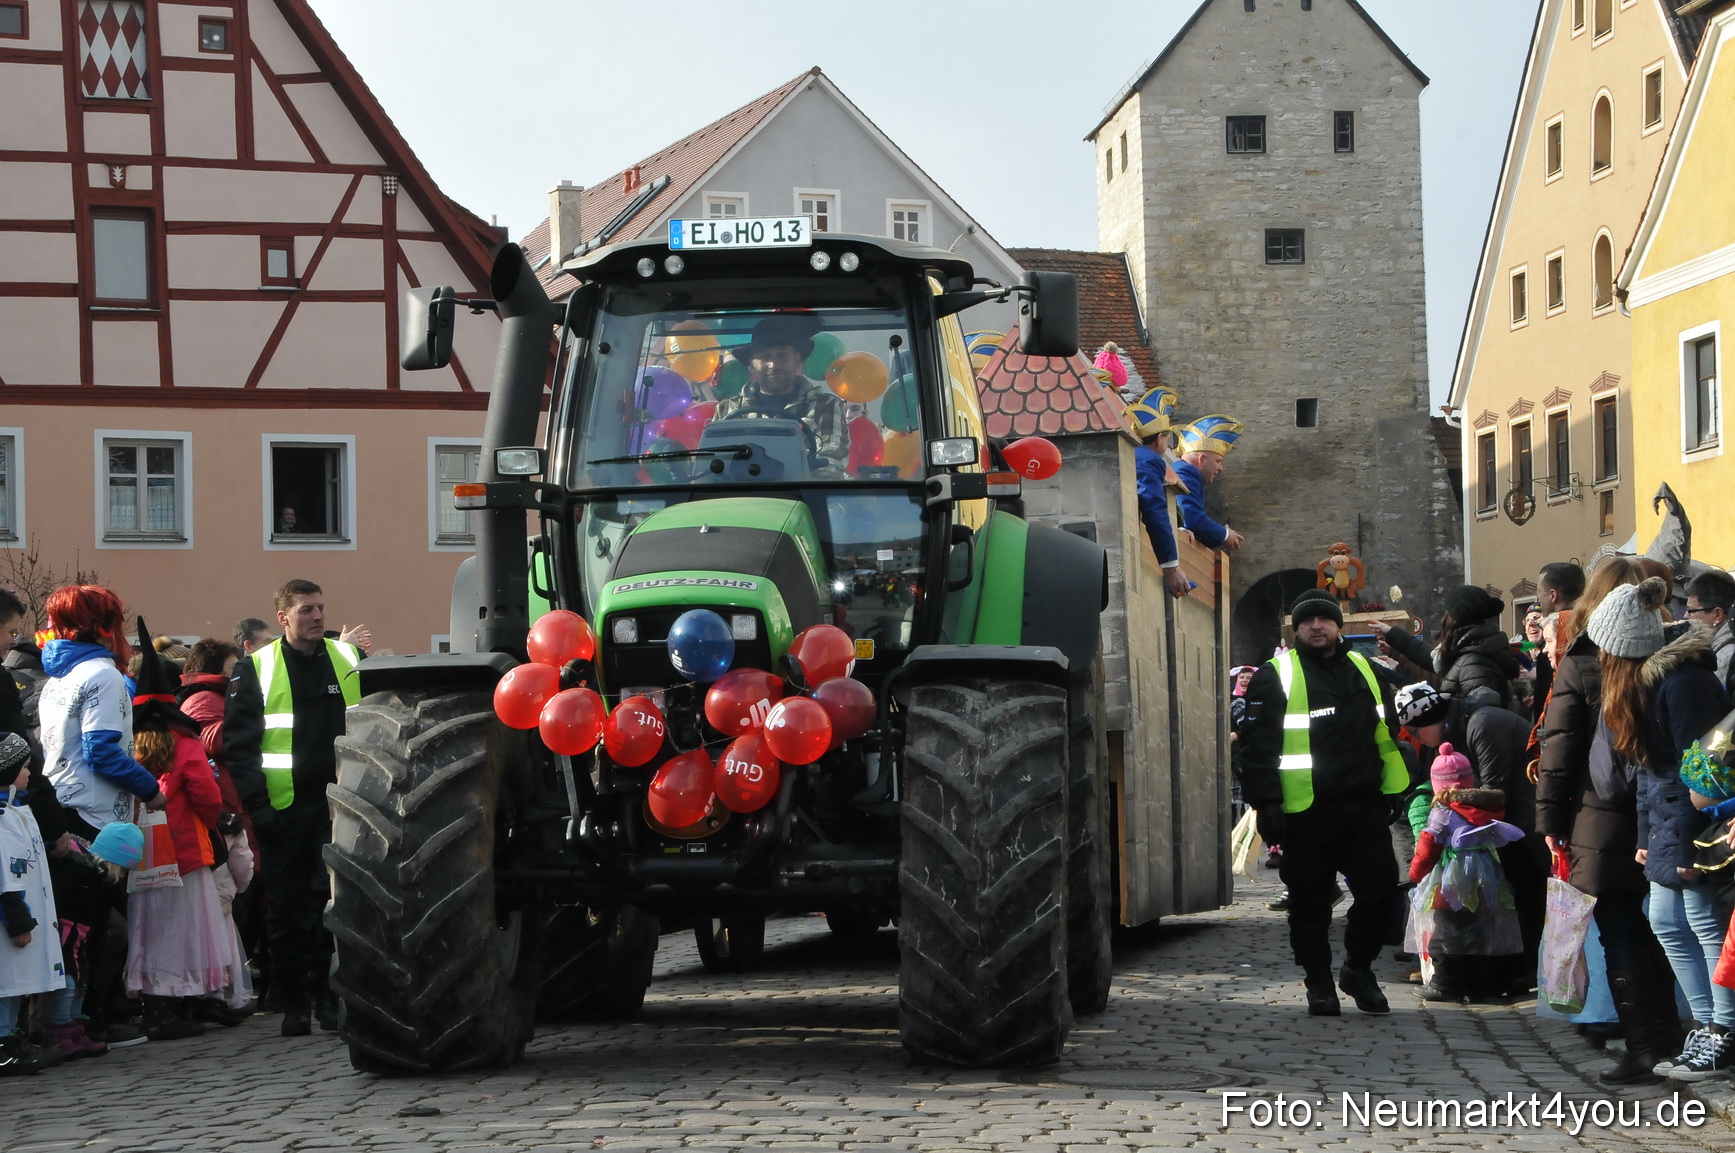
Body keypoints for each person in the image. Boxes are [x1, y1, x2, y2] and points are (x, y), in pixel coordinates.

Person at [1534, 557, 1685, 1085]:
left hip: (1597, 817)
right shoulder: (1672, 654)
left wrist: (1550, 819)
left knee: (1620, 929)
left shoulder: (1583, 659)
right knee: (1661, 928)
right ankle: (1667, 1035)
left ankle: (1643, 1043)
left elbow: (1561, 749)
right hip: (1658, 811)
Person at [1589, 576, 1734, 1082]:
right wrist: (1646, 838)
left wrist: (1690, 847)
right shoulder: (1650, 683)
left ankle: (1723, 1030)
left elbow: (1701, 773)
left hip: (1695, 825)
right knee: (1667, 922)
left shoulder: (1682, 683)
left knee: (1702, 923)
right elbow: (1651, 772)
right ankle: (1705, 1023)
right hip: (1669, 824)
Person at [1240, 590, 1410, 1016]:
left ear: (1338, 625)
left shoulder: (1364, 668)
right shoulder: (1274, 674)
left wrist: (1394, 789)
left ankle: (1358, 969)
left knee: (1380, 893)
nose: (1317, 626)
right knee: (1310, 902)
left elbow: (1386, 732)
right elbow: (1257, 748)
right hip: (1305, 811)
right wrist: (1267, 804)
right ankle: (1318, 981)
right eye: (1307, 620)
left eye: (1325, 619)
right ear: (1295, 629)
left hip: (1364, 805)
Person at [224, 579, 361, 1036]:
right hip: (283, 808)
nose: (318, 617)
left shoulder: (346, 659)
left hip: (341, 804)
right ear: (283, 617)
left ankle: (326, 995)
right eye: (306, 610)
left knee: (330, 903)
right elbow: (239, 748)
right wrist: (258, 807)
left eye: (321, 607)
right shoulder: (255, 668)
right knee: (286, 910)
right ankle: (294, 1002)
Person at [1395, 680, 1546, 997]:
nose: (1418, 739)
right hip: (1509, 823)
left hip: (1525, 822)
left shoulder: (1482, 723)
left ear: (1433, 719)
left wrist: (1448, 810)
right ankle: (1501, 974)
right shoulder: (1457, 732)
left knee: (1526, 896)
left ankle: (1524, 970)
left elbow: (1494, 790)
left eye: (1419, 731)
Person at [124, 618, 229, 1041]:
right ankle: (178, 1005)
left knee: (149, 929)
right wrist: (210, 825)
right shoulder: (186, 745)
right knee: (185, 931)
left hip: (142, 854)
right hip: (184, 852)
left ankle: (154, 1004)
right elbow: (208, 797)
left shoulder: (130, 746)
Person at [38, 586, 167, 839]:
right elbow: (101, 752)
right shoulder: (103, 674)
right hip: (95, 815)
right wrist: (151, 790)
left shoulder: (57, 679)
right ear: (105, 626)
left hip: (63, 803)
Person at [1403, 741, 1525, 1002]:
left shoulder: (1443, 812)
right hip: (1487, 877)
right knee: (1480, 930)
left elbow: (1428, 843)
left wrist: (1417, 873)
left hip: (1453, 877)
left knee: (1446, 931)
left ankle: (1445, 985)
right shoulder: (1485, 806)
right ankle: (1483, 986)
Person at [0, 733, 65, 1076]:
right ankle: (2, 1046)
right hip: (11, 917)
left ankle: (11, 1040)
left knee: (15, 983)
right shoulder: (1, 817)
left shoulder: (15, 809)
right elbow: (3, 875)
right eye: (25, 768)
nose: (29, 775)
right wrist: (18, 919)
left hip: (23, 912)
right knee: (6, 981)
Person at [712, 314, 850, 474]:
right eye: (765, 356)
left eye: (782, 355)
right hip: (741, 496)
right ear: (751, 365)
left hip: (804, 495)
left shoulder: (825, 405)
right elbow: (714, 462)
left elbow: (831, 459)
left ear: (797, 360)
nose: (774, 364)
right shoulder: (727, 408)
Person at [1372, 585, 1521, 711]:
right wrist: (1391, 633)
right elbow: (1430, 658)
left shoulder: (1473, 662)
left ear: (1454, 619)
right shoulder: (1469, 650)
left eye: (1446, 612)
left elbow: (1482, 717)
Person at [1126, 386, 1195, 599]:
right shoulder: (1150, 460)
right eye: (1167, 439)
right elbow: (1154, 509)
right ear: (1159, 439)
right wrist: (1171, 567)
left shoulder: (1134, 454)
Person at [1171, 416, 1245, 552]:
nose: (1221, 468)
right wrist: (1225, 535)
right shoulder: (1186, 473)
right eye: (1218, 461)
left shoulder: (1182, 471)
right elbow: (1192, 519)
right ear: (1202, 460)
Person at [1535, 562, 1586, 704]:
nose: (1538, 597)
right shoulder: (1593, 628)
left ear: (1553, 595)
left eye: (1539, 591)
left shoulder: (1557, 640)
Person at [1685, 569, 1735, 693]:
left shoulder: (1726, 657)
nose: (1685, 616)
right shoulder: (1716, 647)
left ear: (1717, 614)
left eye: (1691, 611)